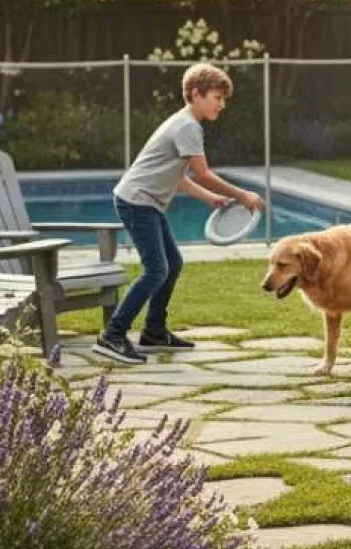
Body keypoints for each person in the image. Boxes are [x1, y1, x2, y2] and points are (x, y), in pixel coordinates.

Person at [92, 63, 265, 365]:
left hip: (146, 201)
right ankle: (113, 335)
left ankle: (154, 332)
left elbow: (181, 177)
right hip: (137, 201)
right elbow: (203, 173)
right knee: (156, 269)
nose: (222, 105)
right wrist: (243, 195)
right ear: (196, 94)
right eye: (217, 97)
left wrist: (212, 199)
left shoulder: (183, 122)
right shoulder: (187, 126)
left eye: (224, 99)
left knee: (172, 264)